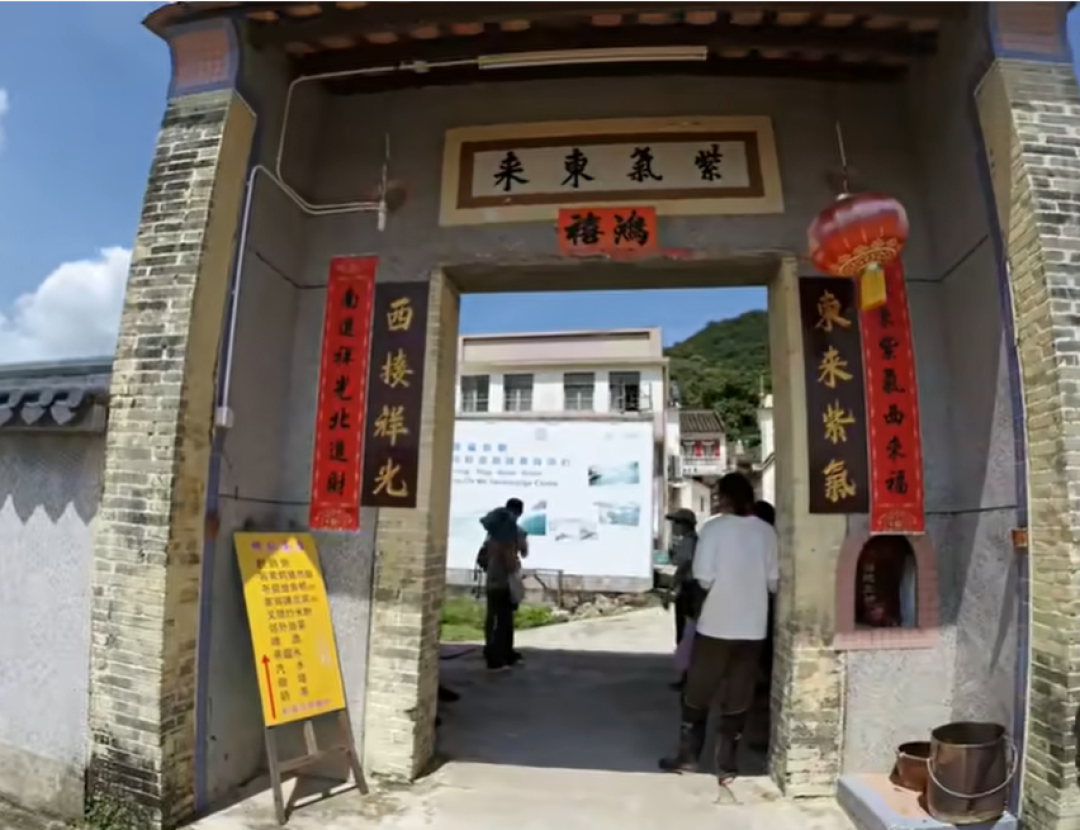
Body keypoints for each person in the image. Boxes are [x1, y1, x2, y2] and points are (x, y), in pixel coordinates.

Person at [659, 473, 779, 786]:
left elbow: (703, 577)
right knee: (738, 696)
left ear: (723, 497)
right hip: (753, 628)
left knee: (697, 692)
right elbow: (773, 582)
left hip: (716, 624)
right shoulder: (767, 532)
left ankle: (687, 757)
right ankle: (726, 765)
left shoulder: (713, 528)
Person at [479, 498, 528, 671]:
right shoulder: (511, 533)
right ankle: (500, 657)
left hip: (492, 579)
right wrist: (515, 574)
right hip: (504, 581)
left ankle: (491, 651)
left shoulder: (491, 534)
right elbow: (518, 554)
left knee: (492, 617)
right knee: (504, 620)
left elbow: (485, 557)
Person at [665, 508, 699, 690]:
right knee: (688, 634)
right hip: (692, 590)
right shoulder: (694, 541)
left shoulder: (688, 541)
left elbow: (683, 566)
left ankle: (687, 677)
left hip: (688, 590)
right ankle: (688, 676)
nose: (674, 527)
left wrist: (672, 588)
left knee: (684, 634)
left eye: (677, 523)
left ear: (685, 525)